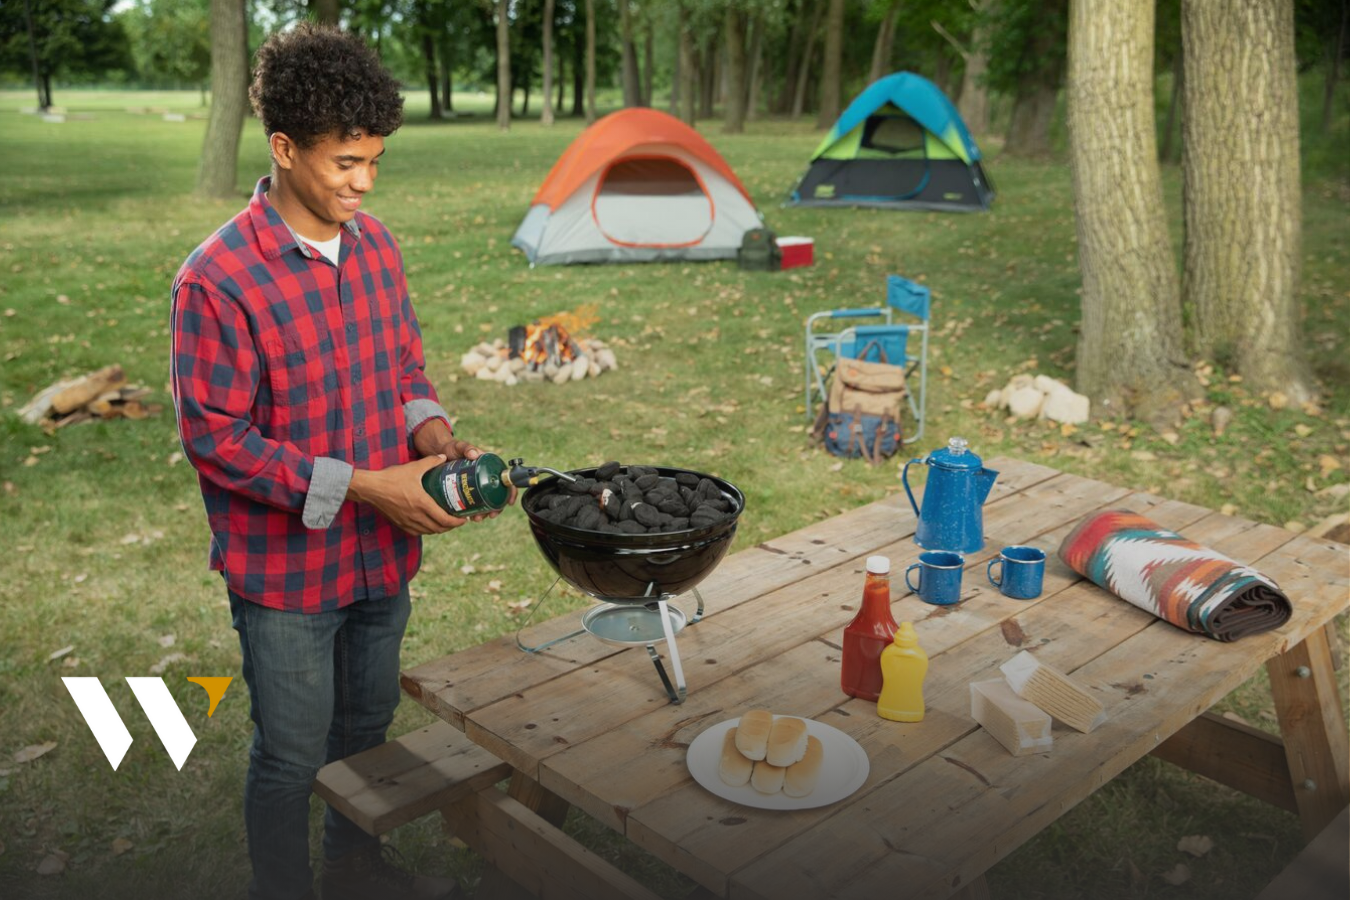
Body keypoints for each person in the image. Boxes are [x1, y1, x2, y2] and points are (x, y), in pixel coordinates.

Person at [170, 24, 496, 900]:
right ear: (283, 148)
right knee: (290, 755)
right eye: (346, 162)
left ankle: (355, 866)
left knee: (367, 729)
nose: (363, 183)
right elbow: (216, 438)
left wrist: (430, 434)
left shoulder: (377, 246)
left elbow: (402, 369)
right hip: (285, 579)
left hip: (381, 557)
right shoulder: (218, 279)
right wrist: (363, 484)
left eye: (376, 162)